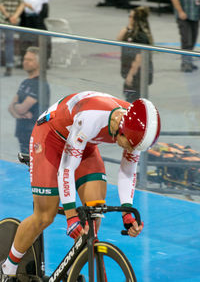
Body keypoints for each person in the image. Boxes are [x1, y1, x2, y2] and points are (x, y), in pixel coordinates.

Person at [0, 91, 160, 280]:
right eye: (130, 145)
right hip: (50, 137)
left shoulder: (135, 128)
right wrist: (70, 214)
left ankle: (73, 267)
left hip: (83, 144)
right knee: (45, 215)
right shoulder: (92, 117)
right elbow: (67, 168)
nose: (132, 150)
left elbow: (128, 171)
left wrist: (127, 210)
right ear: (121, 129)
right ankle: (7, 269)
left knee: (95, 211)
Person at [8, 46, 50, 154]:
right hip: (22, 133)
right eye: (25, 59)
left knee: (33, 166)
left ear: (39, 63)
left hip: (33, 134)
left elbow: (20, 108)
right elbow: (11, 107)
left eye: (29, 60)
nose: (25, 62)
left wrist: (17, 108)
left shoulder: (40, 84)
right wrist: (19, 112)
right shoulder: (25, 82)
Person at [117, 6, 154, 103]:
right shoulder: (130, 32)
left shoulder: (140, 36)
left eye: (131, 16)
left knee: (133, 99)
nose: (129, 18)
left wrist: (130, 75)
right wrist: (128, 27)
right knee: (129, 96)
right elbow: (119, 39)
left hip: (137, 75)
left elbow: (139, 57)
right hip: (130, 70)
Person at [171, 0, 200, 73]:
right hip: (184, 16)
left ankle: (189, 62)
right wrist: (180, 11)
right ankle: (185, 63)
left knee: (193, 39)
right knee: (186, 40)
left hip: (195, 16)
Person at [0, 0, 24, 76]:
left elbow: (0, 4)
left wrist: (7, 16)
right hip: (12, 22)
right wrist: (14, 16)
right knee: (9, 43)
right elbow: (21, 4)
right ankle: (9, 65)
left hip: (2, 20)